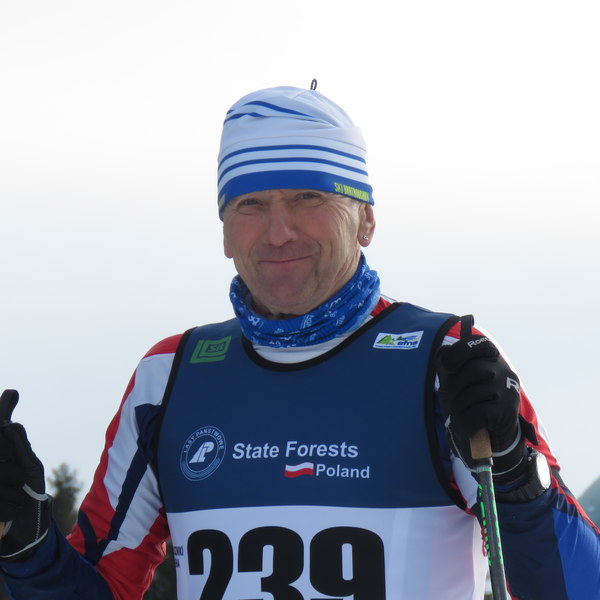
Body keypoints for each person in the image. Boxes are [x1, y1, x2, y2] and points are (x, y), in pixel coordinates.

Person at [0, 85, 598, 600]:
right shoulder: (170, 376)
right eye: (251, 204)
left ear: (365, 219)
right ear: (225, 232)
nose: (279, 231)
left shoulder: (445, 360)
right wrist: (23, 542)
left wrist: (516, 474)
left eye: (309, 197)